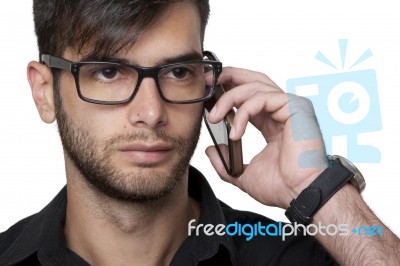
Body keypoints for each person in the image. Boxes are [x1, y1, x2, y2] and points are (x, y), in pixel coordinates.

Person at [0, 0, 399, 265]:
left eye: (177, 73)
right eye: (108, 72)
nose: (152, 113)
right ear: (44, 92)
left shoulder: (288, 257)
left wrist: (318, 187)